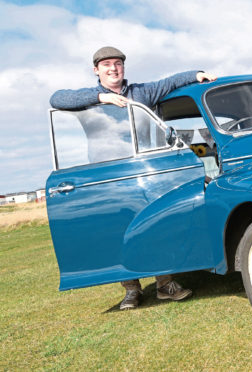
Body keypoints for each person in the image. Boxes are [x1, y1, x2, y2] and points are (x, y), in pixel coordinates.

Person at [50, 46, 217, 310]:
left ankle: (165, 284)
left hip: (145, 171)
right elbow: (57, 98)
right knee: (118, 231)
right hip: (109, 174)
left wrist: (195, 74)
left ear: (123, 67)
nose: (113, 68)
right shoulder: (87, 98)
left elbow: (169, 82)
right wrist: (101, 98)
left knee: (157, 226)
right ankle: (131, 290)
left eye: (117, 63)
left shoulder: (140, 93)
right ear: (97, 70)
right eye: (106, 65)